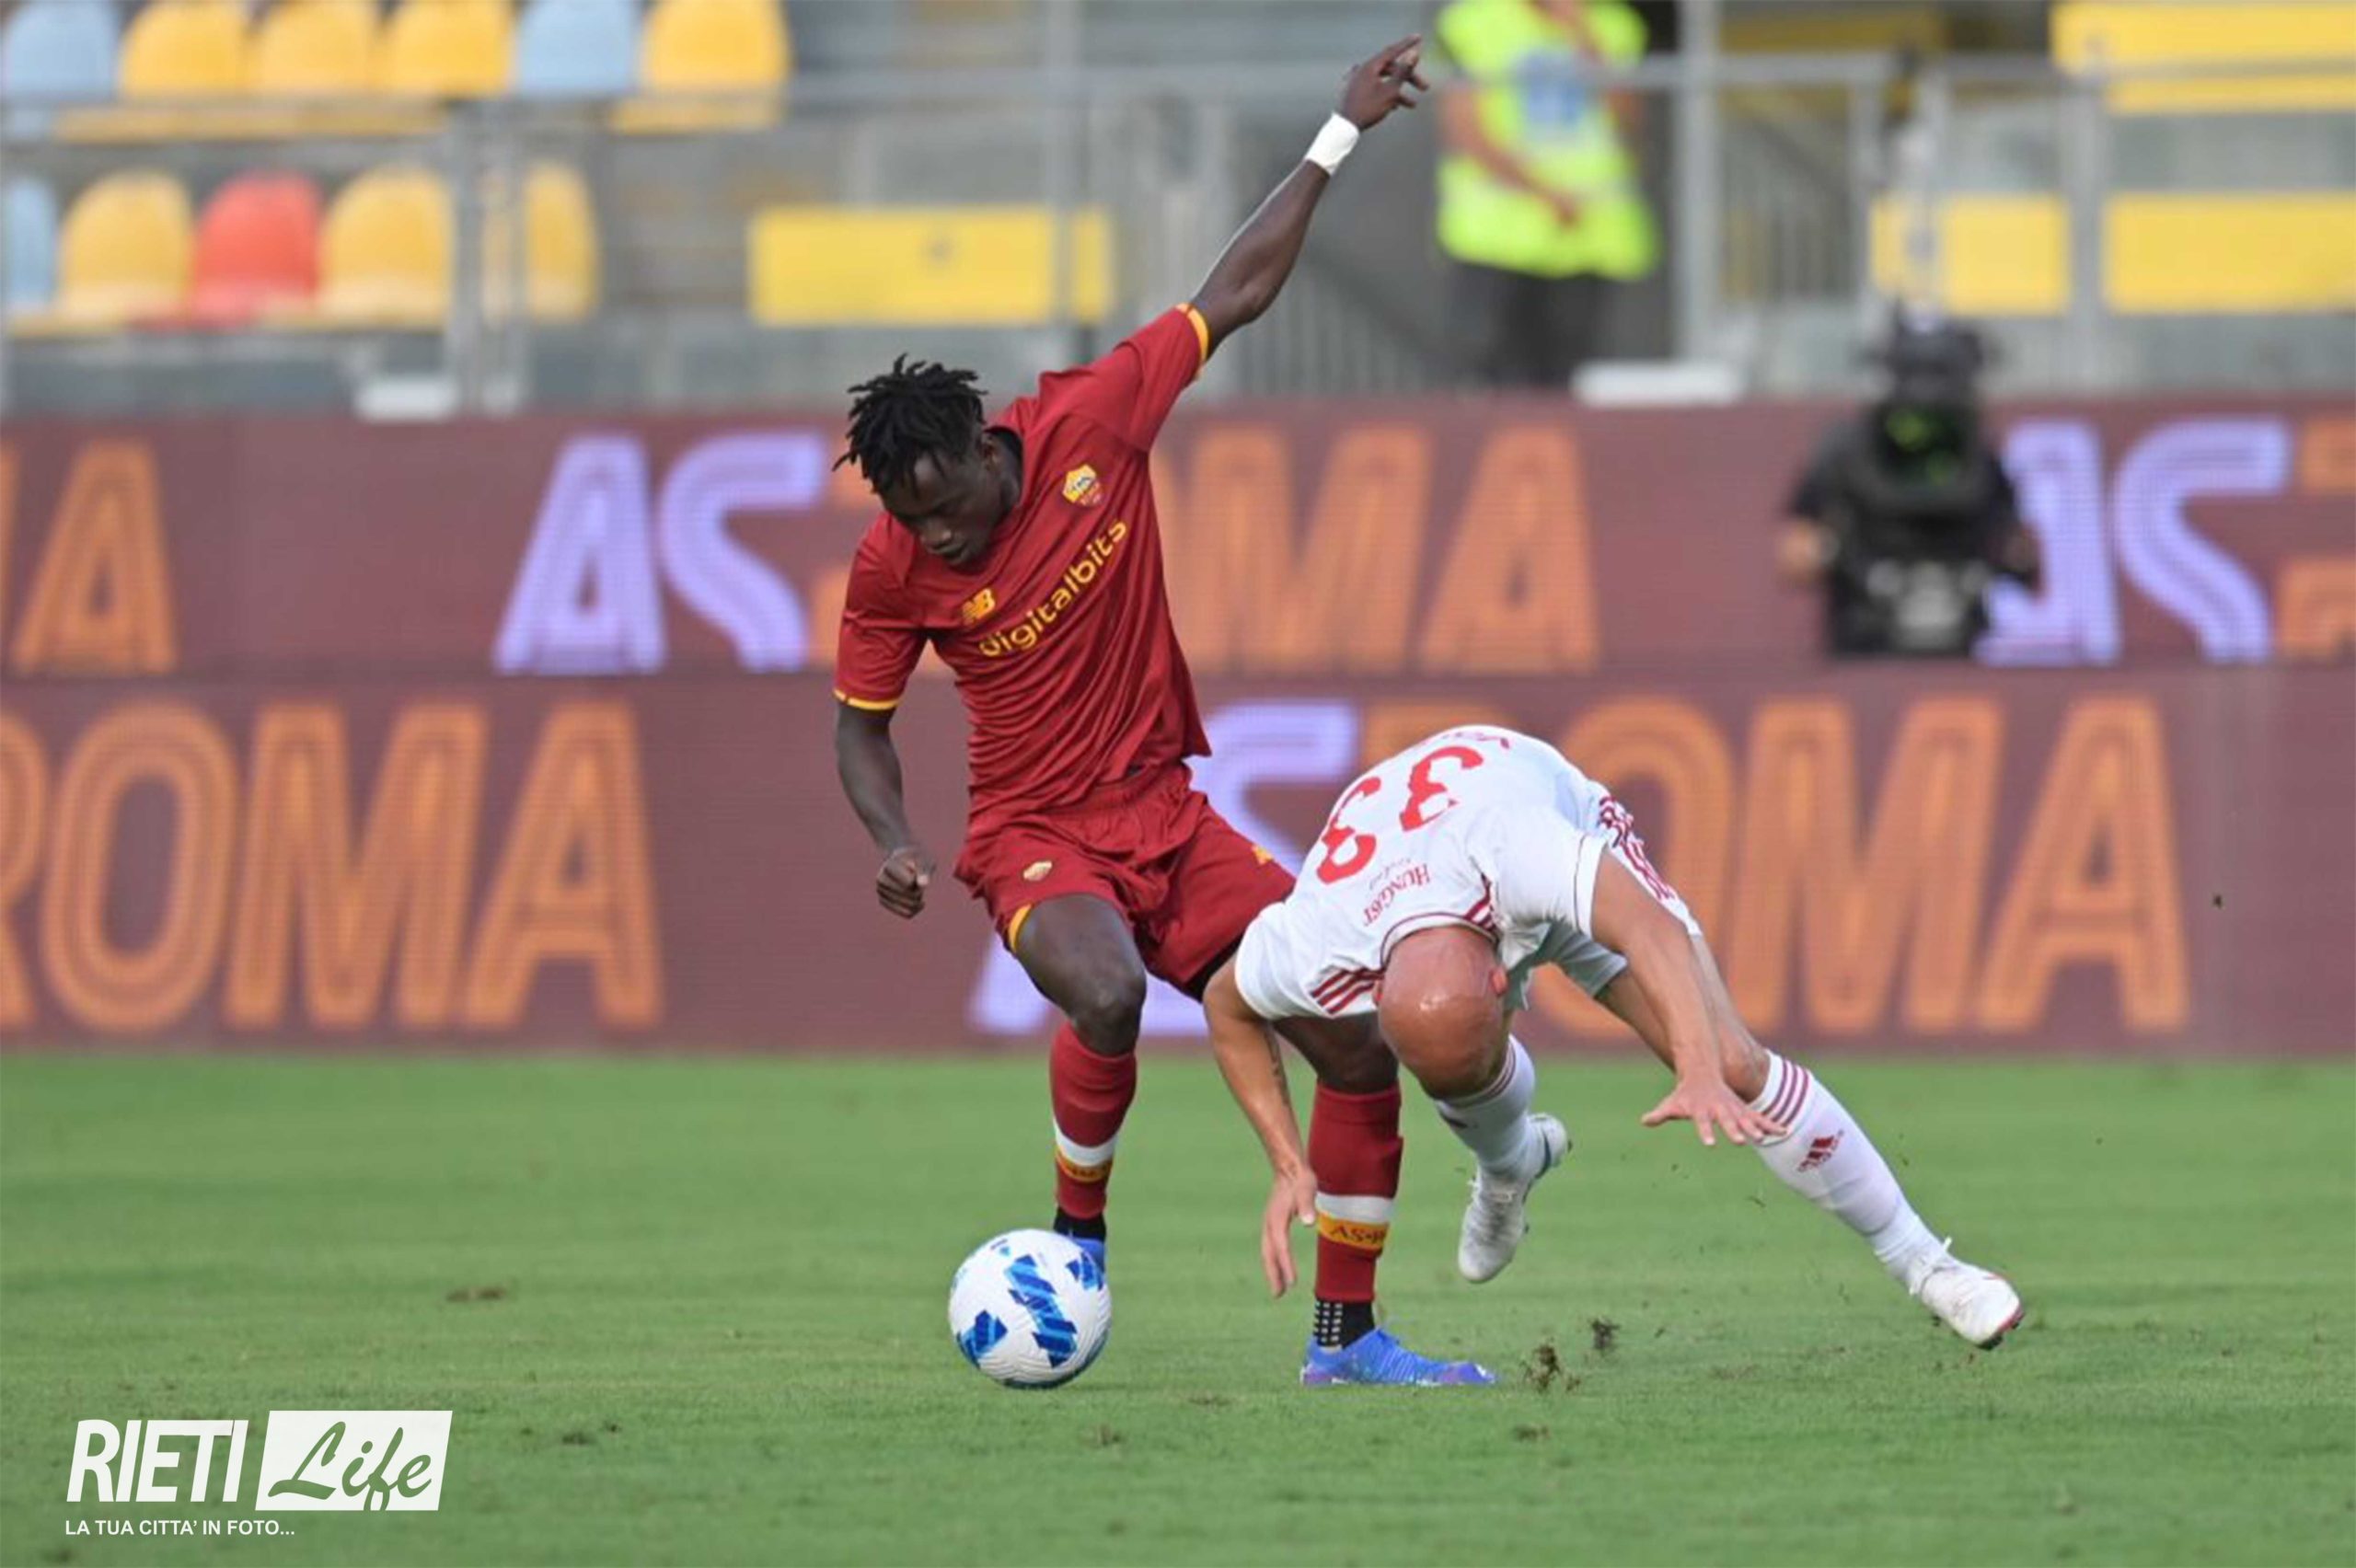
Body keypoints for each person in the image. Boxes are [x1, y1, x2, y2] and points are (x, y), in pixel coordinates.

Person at [831, 39, 1491, 1387]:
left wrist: (1337, 134)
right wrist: (893, 839)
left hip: (1170, 821)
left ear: (983, 446)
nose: (935, 538)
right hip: (1033, 834)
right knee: (1110, 991)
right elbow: (860, 726)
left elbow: (1232, 292)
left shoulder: (1095, 422)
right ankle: (1079, 1240)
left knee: (1357, 1045)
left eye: (945, 506)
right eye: (909, 517)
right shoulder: (892, 564)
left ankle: (1346, 1339)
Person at [1200, 724, 2026, 1350]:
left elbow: (1650, 932)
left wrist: (1697, 1068)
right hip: (1405, 868)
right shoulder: (1314, 940)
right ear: (1375, 989)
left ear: (1507, 982)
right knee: (1455, 1065)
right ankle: (1508, 1166)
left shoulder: (1525, 849)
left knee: (1736, 1060)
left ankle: (1929, 1266)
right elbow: (1224, 1004)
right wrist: (1286, 1161)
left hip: (1538, 810)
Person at [1777, 311, 2042, 657]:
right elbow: (1796, 556)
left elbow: (2021, 558)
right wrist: (1836, 554)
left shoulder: (1982, 457)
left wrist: (2001, 562)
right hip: (1865, 645)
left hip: (1957, 658)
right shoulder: (1847, 455)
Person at [1433, 0, 1657, 389]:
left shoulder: (1615, 25)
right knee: (1493, 376)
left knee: (1573, 382)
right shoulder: (1472, 21)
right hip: (1497, 239)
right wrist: (1544, 194)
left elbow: (1629, 119)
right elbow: (1464, 129)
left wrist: (1585, 40)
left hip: (1590, 239)